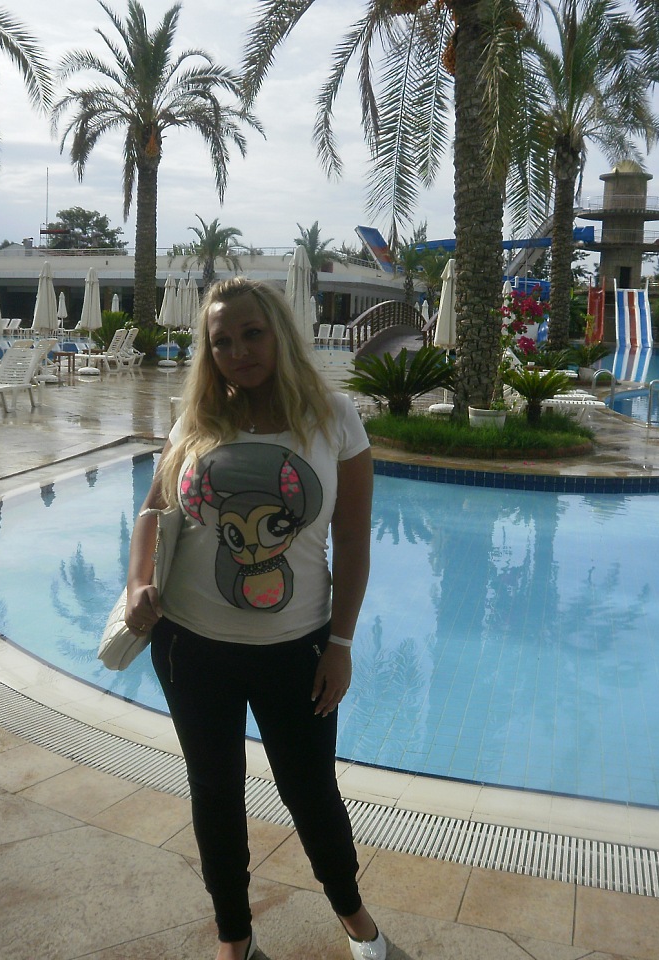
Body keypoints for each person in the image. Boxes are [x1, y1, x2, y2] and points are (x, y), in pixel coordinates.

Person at [125, 277, 386, 960]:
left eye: (251, 334)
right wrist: (136, 583)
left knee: (311, 791)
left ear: (279, 334)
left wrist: (341, 643)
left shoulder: (333, 418)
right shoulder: (196, 419)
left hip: (296, 649)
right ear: (208, 352)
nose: (238, 351)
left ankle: (351, 910)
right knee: (215, 793)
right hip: (190, 648)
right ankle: (233, 934)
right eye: (222, 342)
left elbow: (353, 540)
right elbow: (153, 511)